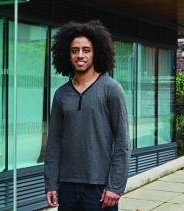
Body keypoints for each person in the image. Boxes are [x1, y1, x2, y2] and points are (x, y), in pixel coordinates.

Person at [44, 20, 131, 211]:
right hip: (66, 186)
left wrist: (115, 186)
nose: (80, 55)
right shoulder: (61, 94)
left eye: (86, 50)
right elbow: (54, 142)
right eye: (75, 50)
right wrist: (51, 182)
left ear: (96, 52)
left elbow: (123, 142)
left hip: (100, 188)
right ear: (67, 55)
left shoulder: (111, 89)